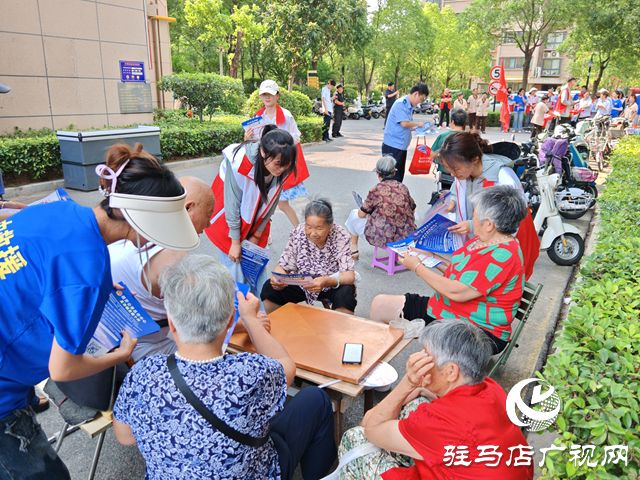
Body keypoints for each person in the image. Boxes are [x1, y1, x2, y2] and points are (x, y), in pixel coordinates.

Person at [0, 143, 200, 479]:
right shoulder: (87, 273)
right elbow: (62, 369)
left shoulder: (62, 209)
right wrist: (118, 355)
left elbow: (42, 273)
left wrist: (94, 287)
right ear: (143, 220)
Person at [113, 255, 337, 480]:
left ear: (171, 322)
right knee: (316, 398)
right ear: (231, 320)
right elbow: (286, 365)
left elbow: (125, 437)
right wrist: (249, 319)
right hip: (255, 473)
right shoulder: (250, 373)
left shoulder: (142, 374)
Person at [337, 319, 533, 480]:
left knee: (354, 438)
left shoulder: (439, 421)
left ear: (451, 371)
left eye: (426, 354)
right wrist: (417, 386)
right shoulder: (490, 388)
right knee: (416, 404)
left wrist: (408, 382)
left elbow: (370, 427)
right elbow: (425, 392)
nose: (418, 358)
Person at [370, 185, 528, 355]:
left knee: (422, 358)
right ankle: (378, 360)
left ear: (489, 224)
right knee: (379, 305)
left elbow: (456, 292)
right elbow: (458, 273)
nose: (472, 219)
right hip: (447, 310)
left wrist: (417, 267)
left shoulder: (503, 254)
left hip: (476, 329)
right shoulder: (484, 240)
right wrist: (429, 256)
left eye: (474, 215)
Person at [109, 176, 217, 362]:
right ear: (188, 208)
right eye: (208, 214)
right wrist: (246, 322)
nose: (208, 224)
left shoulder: (128, 225)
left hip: (116, 338)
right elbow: (198, 322)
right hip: (149, 348)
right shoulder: (173, 254)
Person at [205, 127, 297, 295]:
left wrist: (256, 235)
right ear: (262, 152)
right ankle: (238, 311)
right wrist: (235, 242)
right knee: (236, 279)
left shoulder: (283, 166)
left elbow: (271, 204)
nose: (282, 168)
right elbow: (231, 205)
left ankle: (259, 310)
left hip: (255, 222)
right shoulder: (239, 162)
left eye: (287, 164)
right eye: (278, 163)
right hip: (229, 223)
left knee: (256, 275)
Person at [441, 132, 539, 279]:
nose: (453, 174)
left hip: (504, 247)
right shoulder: (464, 171)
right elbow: (456, 190)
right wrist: (452, 201)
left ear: (474, 159)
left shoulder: (501, 177)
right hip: (480, 241)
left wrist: (472, 225)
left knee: (496, 282)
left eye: (456, 169)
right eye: (450, 169)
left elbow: (508, 220)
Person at [261, 199, 357, 315]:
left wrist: (327, 281)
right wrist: (277, 279)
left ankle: (339, 326)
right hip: (302, 284)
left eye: (319, 228)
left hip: (330, 284)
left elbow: (348, 275)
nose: (313, 233)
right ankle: (280, 323)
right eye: (309, 227)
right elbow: (283, 265)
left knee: (346, 293)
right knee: (269, 289)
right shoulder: (298, 232)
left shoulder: (341, 235)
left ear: (330, 226)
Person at [246, 80, 310, 228]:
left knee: (282, 204)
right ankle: (264, 234)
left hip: (281, 164)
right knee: (262, 202)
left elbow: (296, 136)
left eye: (270, 94)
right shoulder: (257, 117)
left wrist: (281, 141)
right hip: (265, 164)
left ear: (277, 95)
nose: (267, 97)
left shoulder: (286, 116)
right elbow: (255, 143)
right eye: (264, 94)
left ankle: (300, 231)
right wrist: (247, 139)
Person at [344, 155, 416, 259]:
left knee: (354, 214)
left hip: (382, 237)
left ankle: (353, 249)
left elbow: (361, 214)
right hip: (405, 236)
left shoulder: (376, 190)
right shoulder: (403, 187)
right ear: (394, 173)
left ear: (378, 174)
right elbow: (413, 210)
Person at [381, 83, 429, 182]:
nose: (420, 102)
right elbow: (404, 123)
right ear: (416, 94)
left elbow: (404, 125)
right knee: (391, 180)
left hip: (400, 147)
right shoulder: (400, 104)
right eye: (421, 99)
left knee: (398, 179)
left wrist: (416, 129)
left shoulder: (408, 106)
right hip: (393, 147)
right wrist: (418, 124)